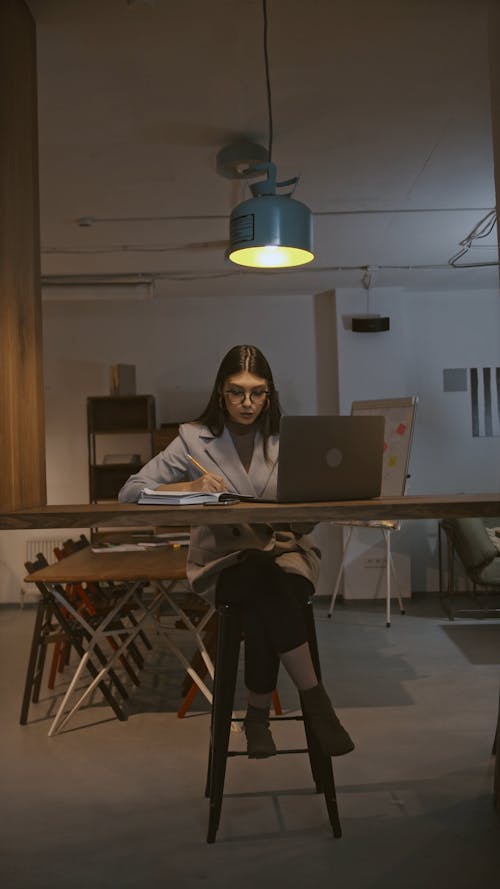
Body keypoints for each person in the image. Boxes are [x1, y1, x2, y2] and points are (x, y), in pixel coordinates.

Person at [119, 344, 354, 759]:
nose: (248, 403)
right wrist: (188, 487)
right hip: (223, 562)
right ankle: (315, 701)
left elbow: (303, 514)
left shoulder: (287, 438)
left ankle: (258, 719)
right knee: (265, 583)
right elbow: (131, 492)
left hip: (284, 552)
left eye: (258, 392)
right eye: (236, 392)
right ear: (220, 393)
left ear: (270, 395)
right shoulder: (193, 438)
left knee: (268, 587)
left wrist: (309, 511)